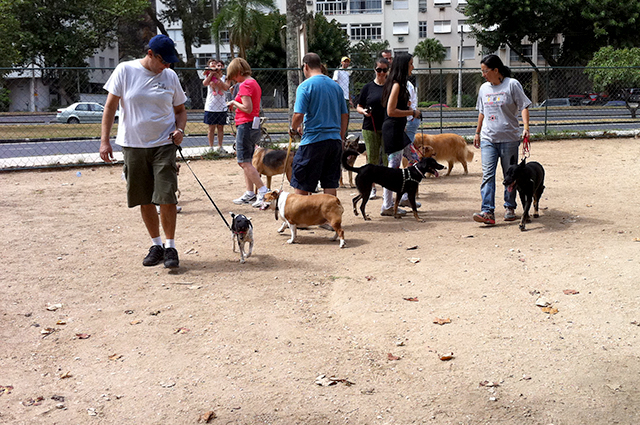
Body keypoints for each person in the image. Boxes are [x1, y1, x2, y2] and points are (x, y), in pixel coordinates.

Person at [99, 34, 187, 269]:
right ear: (150, 54)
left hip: (164, 145)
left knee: (166, 195)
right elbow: (110, 106)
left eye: (170, 62)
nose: (167, 66)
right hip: (134, 145)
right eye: (163, 61)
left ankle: (170, 247)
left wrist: (180, 130)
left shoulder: (170, 76)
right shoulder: (124, 70)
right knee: (144, 198)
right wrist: (104, 141)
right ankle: (156, 245)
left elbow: (180, 110)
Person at [472, 54, 531, 225]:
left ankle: (509, 206)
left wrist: (526, 128)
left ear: (496, 70)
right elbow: (481, 112)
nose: (483, 74)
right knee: (488, 175)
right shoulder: (484, 88)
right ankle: (487, 211)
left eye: (485, 71)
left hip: (509, 138)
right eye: (482, 71)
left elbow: (524, 106)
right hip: (488, 138)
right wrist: (477, 133)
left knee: (509, 174)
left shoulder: (512, 85)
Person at [290, 52, 348, 196]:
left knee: (302, 183)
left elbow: (298, 115)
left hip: (313, 141)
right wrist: (340, 136)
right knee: (329, 183)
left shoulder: (305, 87)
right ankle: (329, 217)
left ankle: (301, 216)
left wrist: (293, 128)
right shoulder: (336, 87)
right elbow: (344, 115)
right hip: (334, 141)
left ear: (306, 66)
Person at [380, 52, 422, 216]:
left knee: (416, 159)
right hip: (393, 131)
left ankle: (405, 195)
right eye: (411, 64)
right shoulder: (397, 84)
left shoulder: (399, 83)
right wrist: (411, 112)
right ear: (404, 66)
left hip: (399, 130)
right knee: (393, 169)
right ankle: (387, 205)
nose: (413, 67)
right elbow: (391, 111)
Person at [226, 58, 269, 208]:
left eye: (234, 77)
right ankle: (250, 193)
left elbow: (247, 108)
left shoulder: (245, 85)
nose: (234, 80)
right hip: (253, 125)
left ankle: (263, 190)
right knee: (248, 161)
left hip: (246, 124)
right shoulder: (253, 83)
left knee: (243, 161)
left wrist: (233, 103)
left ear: (238, 72)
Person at [356, 57, 390, 200]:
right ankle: (372, 187)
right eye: (379, 70)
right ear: (374, 70)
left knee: (387, 158)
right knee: (373, 158)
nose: (381, 73)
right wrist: (363, 112)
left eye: (384, 70)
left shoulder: (392, 86)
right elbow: (359, 105)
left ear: (388, 71)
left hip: (388, 127)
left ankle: (388, 190)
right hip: (370, 127)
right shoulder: (368, 87)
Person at [203, 59, 230, 152]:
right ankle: (211, 147)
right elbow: (205, 83)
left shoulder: (225, 77)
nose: (217, 67)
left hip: (221, 106)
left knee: (220, 128)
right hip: (211, 106)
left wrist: (218, 78)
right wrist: (211, 73)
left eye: (219, 66)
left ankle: (220, 146)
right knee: (211, 128)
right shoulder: (209, 76)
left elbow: (226, 88)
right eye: (215, 65)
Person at [332, 56, 353, 129]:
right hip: (340, 97)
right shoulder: (338, 71)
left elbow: (347, 86)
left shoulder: (347, 73)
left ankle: (345, 134)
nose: (346, 63)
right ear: (341, 62)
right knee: (340, 116)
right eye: (345, 61)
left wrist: (350, 98)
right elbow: (335, 82)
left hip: (346, 97)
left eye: (348, 62)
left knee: (346, 116)